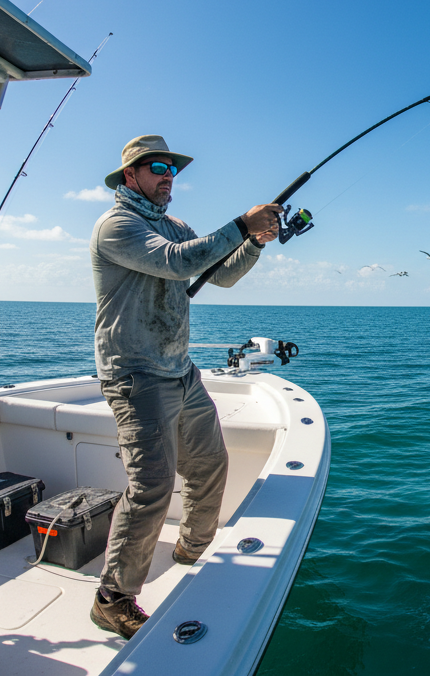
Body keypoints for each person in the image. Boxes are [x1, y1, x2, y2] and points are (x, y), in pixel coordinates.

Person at [88, 134, 282, 639]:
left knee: (209, 463)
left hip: (180, 368)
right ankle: (112, 599)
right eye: (157, 166)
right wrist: (241, 222)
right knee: (151, 486)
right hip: (135, 373)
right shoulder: (117, 225)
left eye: (172, 167)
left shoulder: (174, 226)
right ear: (131, 175)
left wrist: (254, 242)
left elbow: (218, 274)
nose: (168, 174)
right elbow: (178, 262)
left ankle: (193, 549)